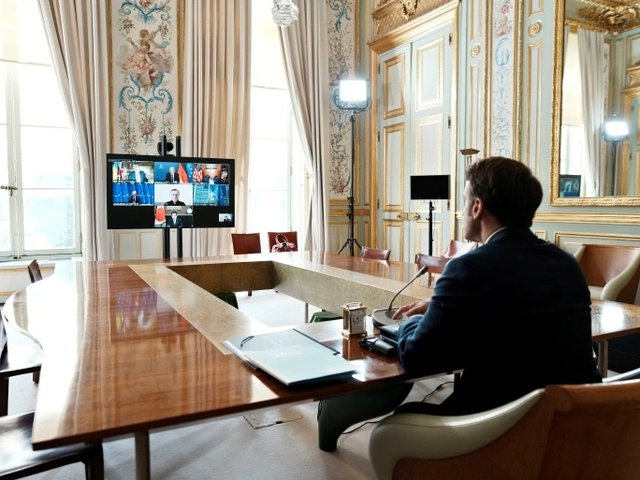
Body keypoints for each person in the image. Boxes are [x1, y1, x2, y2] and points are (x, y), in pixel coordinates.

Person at [316, 156, 601, 451]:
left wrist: (410, 323)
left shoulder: (468, 268)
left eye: (464, 202)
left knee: (391, 429)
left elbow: (417, 357)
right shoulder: (566, 264)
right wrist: (442, 307)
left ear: (477, 207)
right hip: (575, 424)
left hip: (498, 429)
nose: (461, 211)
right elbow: (516, 312)